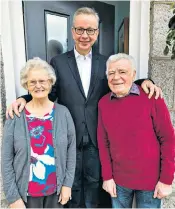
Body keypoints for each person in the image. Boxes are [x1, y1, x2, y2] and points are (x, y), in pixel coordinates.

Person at [6, 7, 163, 208]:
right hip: (69, 139)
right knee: (70, 191)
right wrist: (24, 97)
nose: (84, 35)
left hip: (98, 141)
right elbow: (49, 93)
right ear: (72, 32)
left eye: (90, 30)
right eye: (80, 30)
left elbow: (120, 85)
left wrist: (144, 81)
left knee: (96, 191)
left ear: (97, 33)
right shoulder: (59, 62)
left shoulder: (106, 62)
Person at [97, 53, 175, 208]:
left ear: (133, 74)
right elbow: (103, 142)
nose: (116, 77)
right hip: (119, 182)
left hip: (151, 182)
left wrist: (166, 180)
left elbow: (168, 139)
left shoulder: (151, 97)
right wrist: (107, 177)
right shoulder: (104, 103)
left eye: (122, 72)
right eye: (111, 73)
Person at [2, 58, 76, 208]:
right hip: (25, 197)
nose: (38, 86)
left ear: (50, 82)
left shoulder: (63, 113)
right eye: (32, 82)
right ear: (26, 85)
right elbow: (6, 159)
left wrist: (67, 185)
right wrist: (12, 197)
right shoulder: (15, 116)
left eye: (42, 81)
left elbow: (71, 151)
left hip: (56, 194)